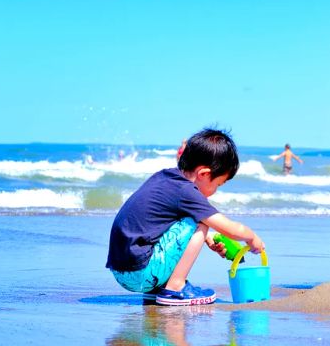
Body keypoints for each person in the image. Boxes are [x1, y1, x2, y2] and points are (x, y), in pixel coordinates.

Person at [106, 128, 265, 306]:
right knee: (202, 221)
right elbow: (231, 229)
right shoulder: (186, 191)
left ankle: (158, 289)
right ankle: (175, 287)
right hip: (141, 273)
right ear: (204, 174)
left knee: (200, 224)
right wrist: (252, 237)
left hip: (123, 271)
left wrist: (207, 238)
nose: (215, 191)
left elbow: (159, 223)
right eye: (218, 184)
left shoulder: (165, 177)